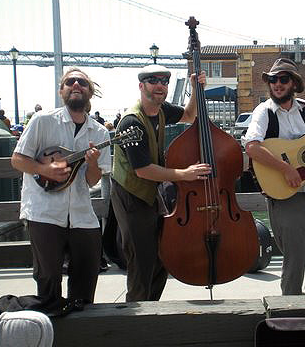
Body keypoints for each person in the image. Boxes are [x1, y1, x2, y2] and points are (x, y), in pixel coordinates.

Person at [11, 67, 111, 305]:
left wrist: (94, 164)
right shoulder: (42, 121)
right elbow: (17, 159)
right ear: (61, 90)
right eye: (70, 82)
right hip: (44, 211)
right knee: (48, 279)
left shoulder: (100, 132)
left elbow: (92, 180)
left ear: (90, 92)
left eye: (82, 83)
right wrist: (45, 170)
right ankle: (51, 332)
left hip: (81, 215)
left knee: (87, 276)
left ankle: (83, 330)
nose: (76, 85)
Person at [111, 64, 209, 302]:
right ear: (141, 86)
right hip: (131, 195)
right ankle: (137, 316)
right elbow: (143, 171)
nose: (160, 86)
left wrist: (197, 89)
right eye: (153, 81)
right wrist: (184, 174)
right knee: (141, 260)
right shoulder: (131, 122)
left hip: (150, 194)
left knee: (161, 257)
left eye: (164, 82)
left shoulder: (161, 109)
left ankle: (152, 309)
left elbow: (189, 115)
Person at [242, 58, 305, 295]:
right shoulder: (264, 112)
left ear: (294, 83)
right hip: (284, 193)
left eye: (283, 79)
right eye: (273, 79)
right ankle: (290, 311)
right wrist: (286, 168)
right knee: (294, 258)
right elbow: (252, 147)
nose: (277, 84)